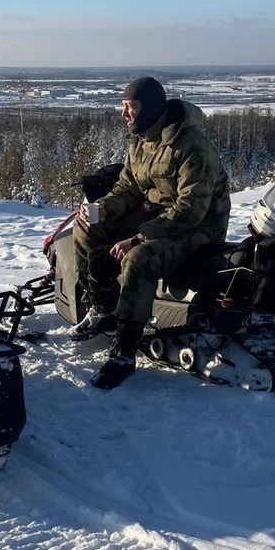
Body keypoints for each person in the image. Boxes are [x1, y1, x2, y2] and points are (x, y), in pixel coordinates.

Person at [72, 77, 231, 389]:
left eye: (130, 107)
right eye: (124, 107)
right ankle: (102, 305)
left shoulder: (192, 146)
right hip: (158, 218)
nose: (124, 113)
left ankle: (123, 352)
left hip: (199, 229)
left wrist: (138, 238)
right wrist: (104, 208)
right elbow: (128, 187)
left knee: (139, 258)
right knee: (86, 226)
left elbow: (190, 210)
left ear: (151, 108)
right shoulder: (142, 141)